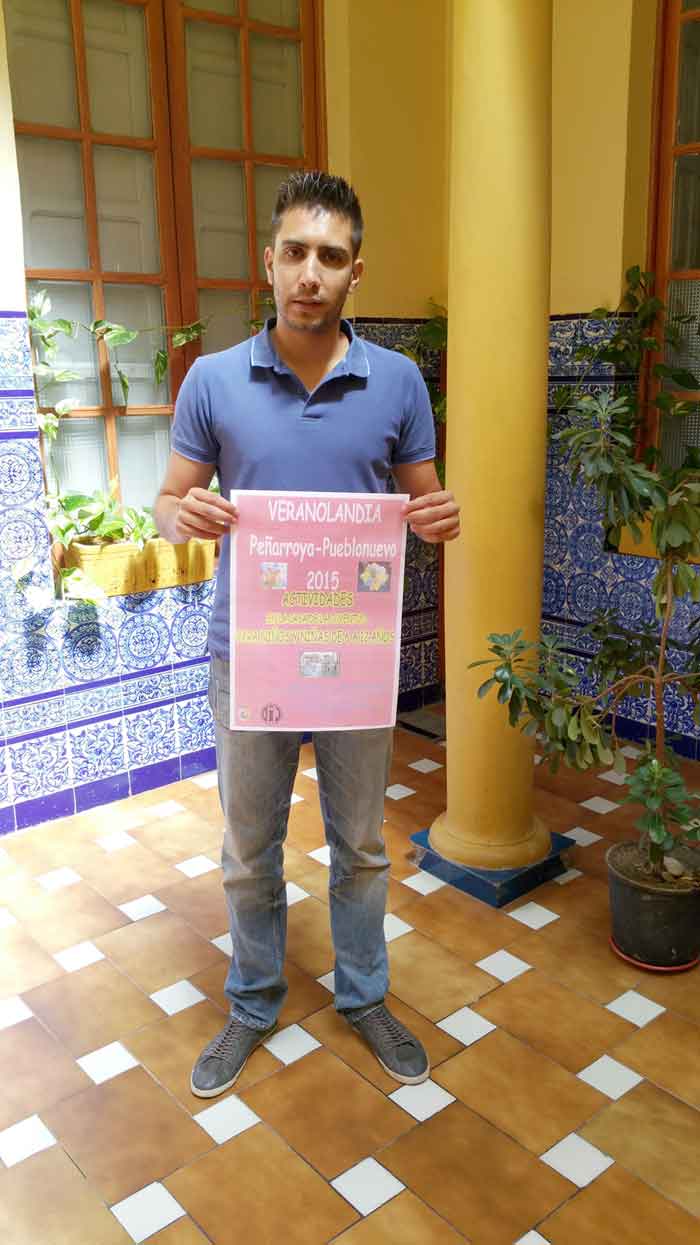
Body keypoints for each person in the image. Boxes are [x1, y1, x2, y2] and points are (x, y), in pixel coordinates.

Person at [155, 171, 460, 1100]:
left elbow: (422, 501)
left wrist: (439, 518)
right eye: (295, 253)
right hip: (249, 655)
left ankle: (364, 995)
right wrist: (183, 515)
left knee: (361, 844)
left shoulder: (397, 381)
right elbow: (168, 502)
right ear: (269, 262)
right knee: (249, 849)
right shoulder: (213, 380)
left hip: (354, 659)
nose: (310, 274)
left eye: (331, 257)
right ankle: (252, 1001)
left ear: (356, 272)